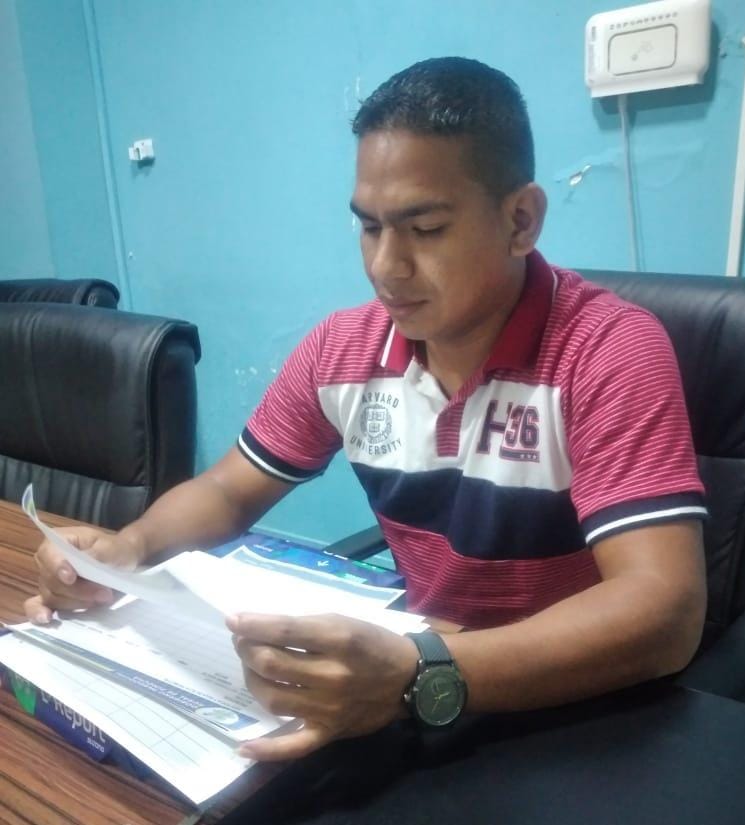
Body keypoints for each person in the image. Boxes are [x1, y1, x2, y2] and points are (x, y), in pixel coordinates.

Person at [25, 57, 707, 761]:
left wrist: (423, 672)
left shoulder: (607, 351)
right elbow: (230, 488)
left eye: (426, 228)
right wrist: (128, 549)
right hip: (414, 684)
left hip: (573, 711)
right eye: (370, 228)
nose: (386, 266)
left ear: (520, 219)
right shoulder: (342, 349)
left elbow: (666, 610)